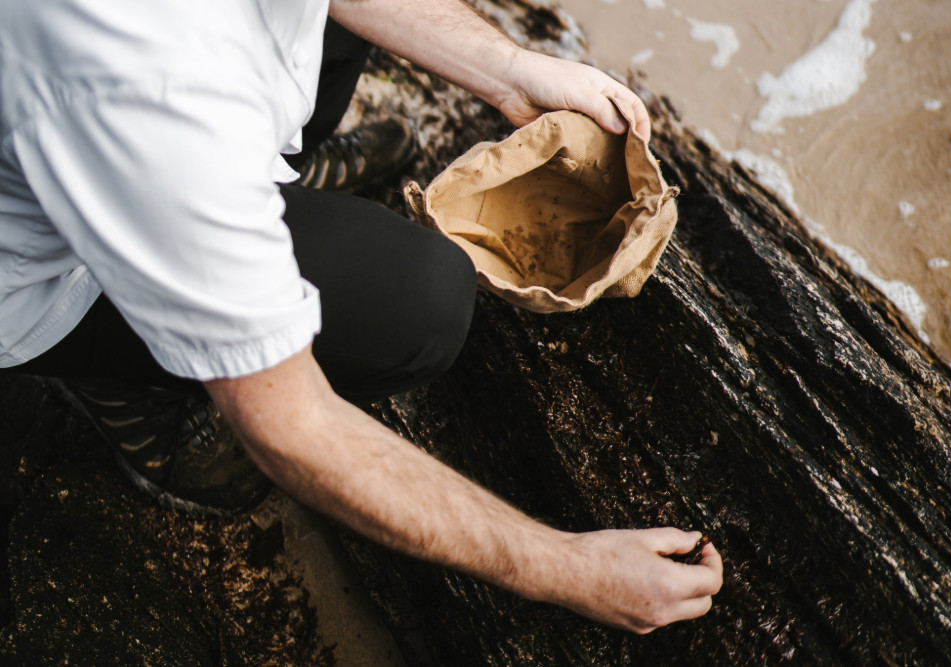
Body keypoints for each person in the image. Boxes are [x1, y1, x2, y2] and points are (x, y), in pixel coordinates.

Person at [0, 0, 723, 634]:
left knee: (340, 36)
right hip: (53, 273)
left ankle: (264, 182)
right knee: (422, 303)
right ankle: (132, 386)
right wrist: (572, 569)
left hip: (175, 142)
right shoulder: (141, 84)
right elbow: (293, 424)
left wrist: (509, 68)